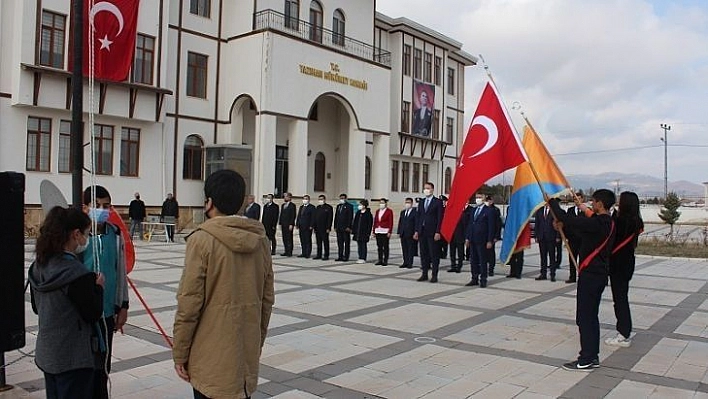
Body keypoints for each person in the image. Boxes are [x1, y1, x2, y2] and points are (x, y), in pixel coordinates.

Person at [173, 169, 274, 399]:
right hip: (244, 362)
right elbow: (266, 301)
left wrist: (180, 352)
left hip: (209, 359)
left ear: (209, 202)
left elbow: (189, 303)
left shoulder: (201, 239)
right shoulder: (260, 241)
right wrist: (255, 344)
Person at [29, 206, 104, 399]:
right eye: (86, 234)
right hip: (73, 358)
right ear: (75, 234)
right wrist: (98, 288)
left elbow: (37, 307)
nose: (86, 240)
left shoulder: (38, 266)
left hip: (48, 353)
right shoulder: (76, 274)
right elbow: (92, 313)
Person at [549, 189, 616, 371]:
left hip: (592, 276)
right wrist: (563, 227)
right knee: (589, 317)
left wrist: (552, 201)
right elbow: (581, 234)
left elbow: (571, 219)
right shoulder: (603, 222)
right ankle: (591, 355)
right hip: (594, 274)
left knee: (585, 318)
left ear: (601, 204)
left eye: (594, 201)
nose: (591, 204)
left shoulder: (601, 222)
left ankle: (586, 358)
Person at [81, 185, 129, 398]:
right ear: (86, 208)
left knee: (103, 363)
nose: (102, 210)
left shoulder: (115, 233)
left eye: (106, 206)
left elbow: (120, 272)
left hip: (108, 310)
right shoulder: (78, 235)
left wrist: (123, 306)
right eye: (97, 205)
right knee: (85, 365)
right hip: (84, 312)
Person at [605, 191, 643, 348]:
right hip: (628, 263)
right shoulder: (636, 221)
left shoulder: (621, 221)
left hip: (618, 264)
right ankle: (624, 330)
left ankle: (623, 333)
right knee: (622, 297)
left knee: (619, 299)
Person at [414, 182, 443, 283]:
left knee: (434, 254)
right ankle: (424, 273)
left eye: (428, 188)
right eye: (425, 188)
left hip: (433, 232)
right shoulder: (422, 202)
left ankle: (434, 275)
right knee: (423, 253)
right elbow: (419, 217)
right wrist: (417, 230)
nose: (426, 190)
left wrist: (438, 231)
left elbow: (440, 218)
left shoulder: (438, 202)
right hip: (422, 231)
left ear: (432, 189)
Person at [465, 193, 495, 288]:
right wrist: (467, 238)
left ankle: (483, 279)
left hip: (482, 240)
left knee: (482, 260)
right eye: (477, 197)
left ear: (484, 198)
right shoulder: (473, 210)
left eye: (480, 197)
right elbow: (470, 225)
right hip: (473, 239)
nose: (478, 199)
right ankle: (474, 278)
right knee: (473, 260)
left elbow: (491, 227)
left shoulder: (489, 211)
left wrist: (490, 240)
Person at [534, 203, 560, 282]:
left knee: (552, 257)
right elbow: (537, 224)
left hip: (551, 237)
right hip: (542, 237)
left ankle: (552, 274)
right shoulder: (539, 211)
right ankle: (543, 274)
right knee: (543, 257)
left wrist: (558, 236)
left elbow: (558, 224)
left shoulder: (554, 211)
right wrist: (536, 236)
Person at [565, 193, 586, 283]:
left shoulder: (587, 211)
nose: (576, 201)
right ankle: (572, 276)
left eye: (578, 199)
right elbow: (567, 224)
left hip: (583, 240)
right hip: (572, 239)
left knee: (583, 259)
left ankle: (582, 276)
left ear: (582, 199)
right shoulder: (570, 210)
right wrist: (566, 236)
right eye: (574, 199)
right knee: (572, 258)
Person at [448, 202, 470, 273]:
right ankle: (453, 266)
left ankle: (459, 266)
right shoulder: (452, 213)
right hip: (452, 236)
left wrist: (466, 236)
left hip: (460, 235)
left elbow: (465, 226)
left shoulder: (464, 214)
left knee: (460, 252)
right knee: (452, 252)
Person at [373, 198, 394, 266]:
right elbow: (375, 221)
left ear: (385, 203)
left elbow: (391, 222)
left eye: (383, 203)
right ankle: (380, 259)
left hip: (385, 231)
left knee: (385, 246)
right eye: (380, 203)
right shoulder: (377, 211)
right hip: (378, 230)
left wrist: (389, 232)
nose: (381, 204)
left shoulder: (389, 211)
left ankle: (385, 260)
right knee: (379, 246)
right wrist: (374, 231)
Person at [485, 195, 502, 276]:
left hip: (492, 235)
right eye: (487, 200)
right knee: (484, 253)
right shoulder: (485, 209)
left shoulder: (495, 210)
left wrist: (496, 236)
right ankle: (485, 267)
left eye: (490, 200)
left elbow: (498, 224)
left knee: (491, 253)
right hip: (484, 235)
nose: (489, 202)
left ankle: (491, 269)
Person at [398, 198, 417, 269]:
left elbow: (416, 223)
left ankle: (410, 263)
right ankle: (405, 262)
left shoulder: (415, 212)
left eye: (408, 202)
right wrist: (399, 232)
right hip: (403, 233)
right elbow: (400, 222)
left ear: (412, 204)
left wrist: (416, 232)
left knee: (410, 249)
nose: (407, 204)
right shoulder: (403, 212)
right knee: (404, 249)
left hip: (410, 233)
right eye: (406, 202)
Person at [334, 194, 354, 261]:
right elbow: (336, 217)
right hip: (339, 227)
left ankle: (346, 256)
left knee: (346, 243)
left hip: (346, 228)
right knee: (340, 243)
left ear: (346, 198)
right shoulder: (338, 206)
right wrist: (335, 226)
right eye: (340, 198)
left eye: (343, 198)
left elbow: (350, 217)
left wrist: (349, 226)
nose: (341, 199)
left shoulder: (349, 206)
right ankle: (340, 256)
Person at [352, 199, 373, 264]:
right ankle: (360, 257)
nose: (359, 206)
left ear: (364, 205)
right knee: (359, 245)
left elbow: (369, 224)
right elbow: (355, 222)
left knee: (363, 245)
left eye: (361, 204)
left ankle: (363, 257)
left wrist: (368, 233)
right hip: (358, 232)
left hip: (364, 233)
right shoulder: (358, 213)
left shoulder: (368, 214)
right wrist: (354, 231)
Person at [313, 195, 333, 260]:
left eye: (321, 199)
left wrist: (328, 227)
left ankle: (326, 255)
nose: (320, 201)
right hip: (317, 228)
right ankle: (319, 254)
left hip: (324, 228)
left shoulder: (328, 207)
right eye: (319, 199)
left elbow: (330, 218)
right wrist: (314, 227)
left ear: (324, 199)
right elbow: (315, 218)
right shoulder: (317, 207)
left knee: (325, 242)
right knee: (318, 242)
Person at [279, 192, 296, 257]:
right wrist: (280, 223)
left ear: (289, 197)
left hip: (289, 224)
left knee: (289, 238)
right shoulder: (283, 205)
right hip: (283, 224)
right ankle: (286, 251)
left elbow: (293, 215)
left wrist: (291, 224)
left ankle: (289, 251)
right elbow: (281, 214)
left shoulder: (292, 205)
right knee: (284, 238)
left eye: (285, 196)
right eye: (284, 196)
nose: (284, 198)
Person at [439, 195, 449, 260]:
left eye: (443, 201)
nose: (442, 202)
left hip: (445, 228)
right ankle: (440, 253)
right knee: (438, 242)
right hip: (439, 228)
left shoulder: (447, 209)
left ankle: (444, 253)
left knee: (444, 242)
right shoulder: (438, 208)